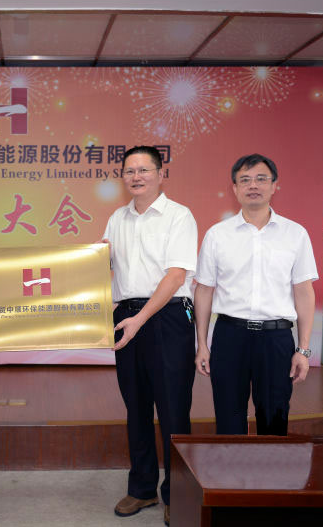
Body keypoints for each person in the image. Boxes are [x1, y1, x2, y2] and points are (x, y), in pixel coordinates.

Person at [102, 146, 197, 526]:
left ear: (160, 174)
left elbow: (176, 276)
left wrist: (140, 318)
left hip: (167, 317)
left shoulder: (179, 216)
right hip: (126, 316)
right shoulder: (117, 219)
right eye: (129, 171)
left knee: (173, 409)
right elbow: (99, 265)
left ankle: (178, 493)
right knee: (136, 406)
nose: (136, 176)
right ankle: (142, 488)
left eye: (144, 169)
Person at [194, 154, 317, 436]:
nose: (253, 186)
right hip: (230, 336)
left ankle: (270, 467)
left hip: (276, 339)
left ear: (274, 186)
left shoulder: (295, 234)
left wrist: (303, 349)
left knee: (274, 417)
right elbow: (204, 290)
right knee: (228, 416)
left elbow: (303, 292)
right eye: (245, 180)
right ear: (235, 189)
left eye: (261, 179)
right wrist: (201, 344)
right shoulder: (217, 235)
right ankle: (230, 466)